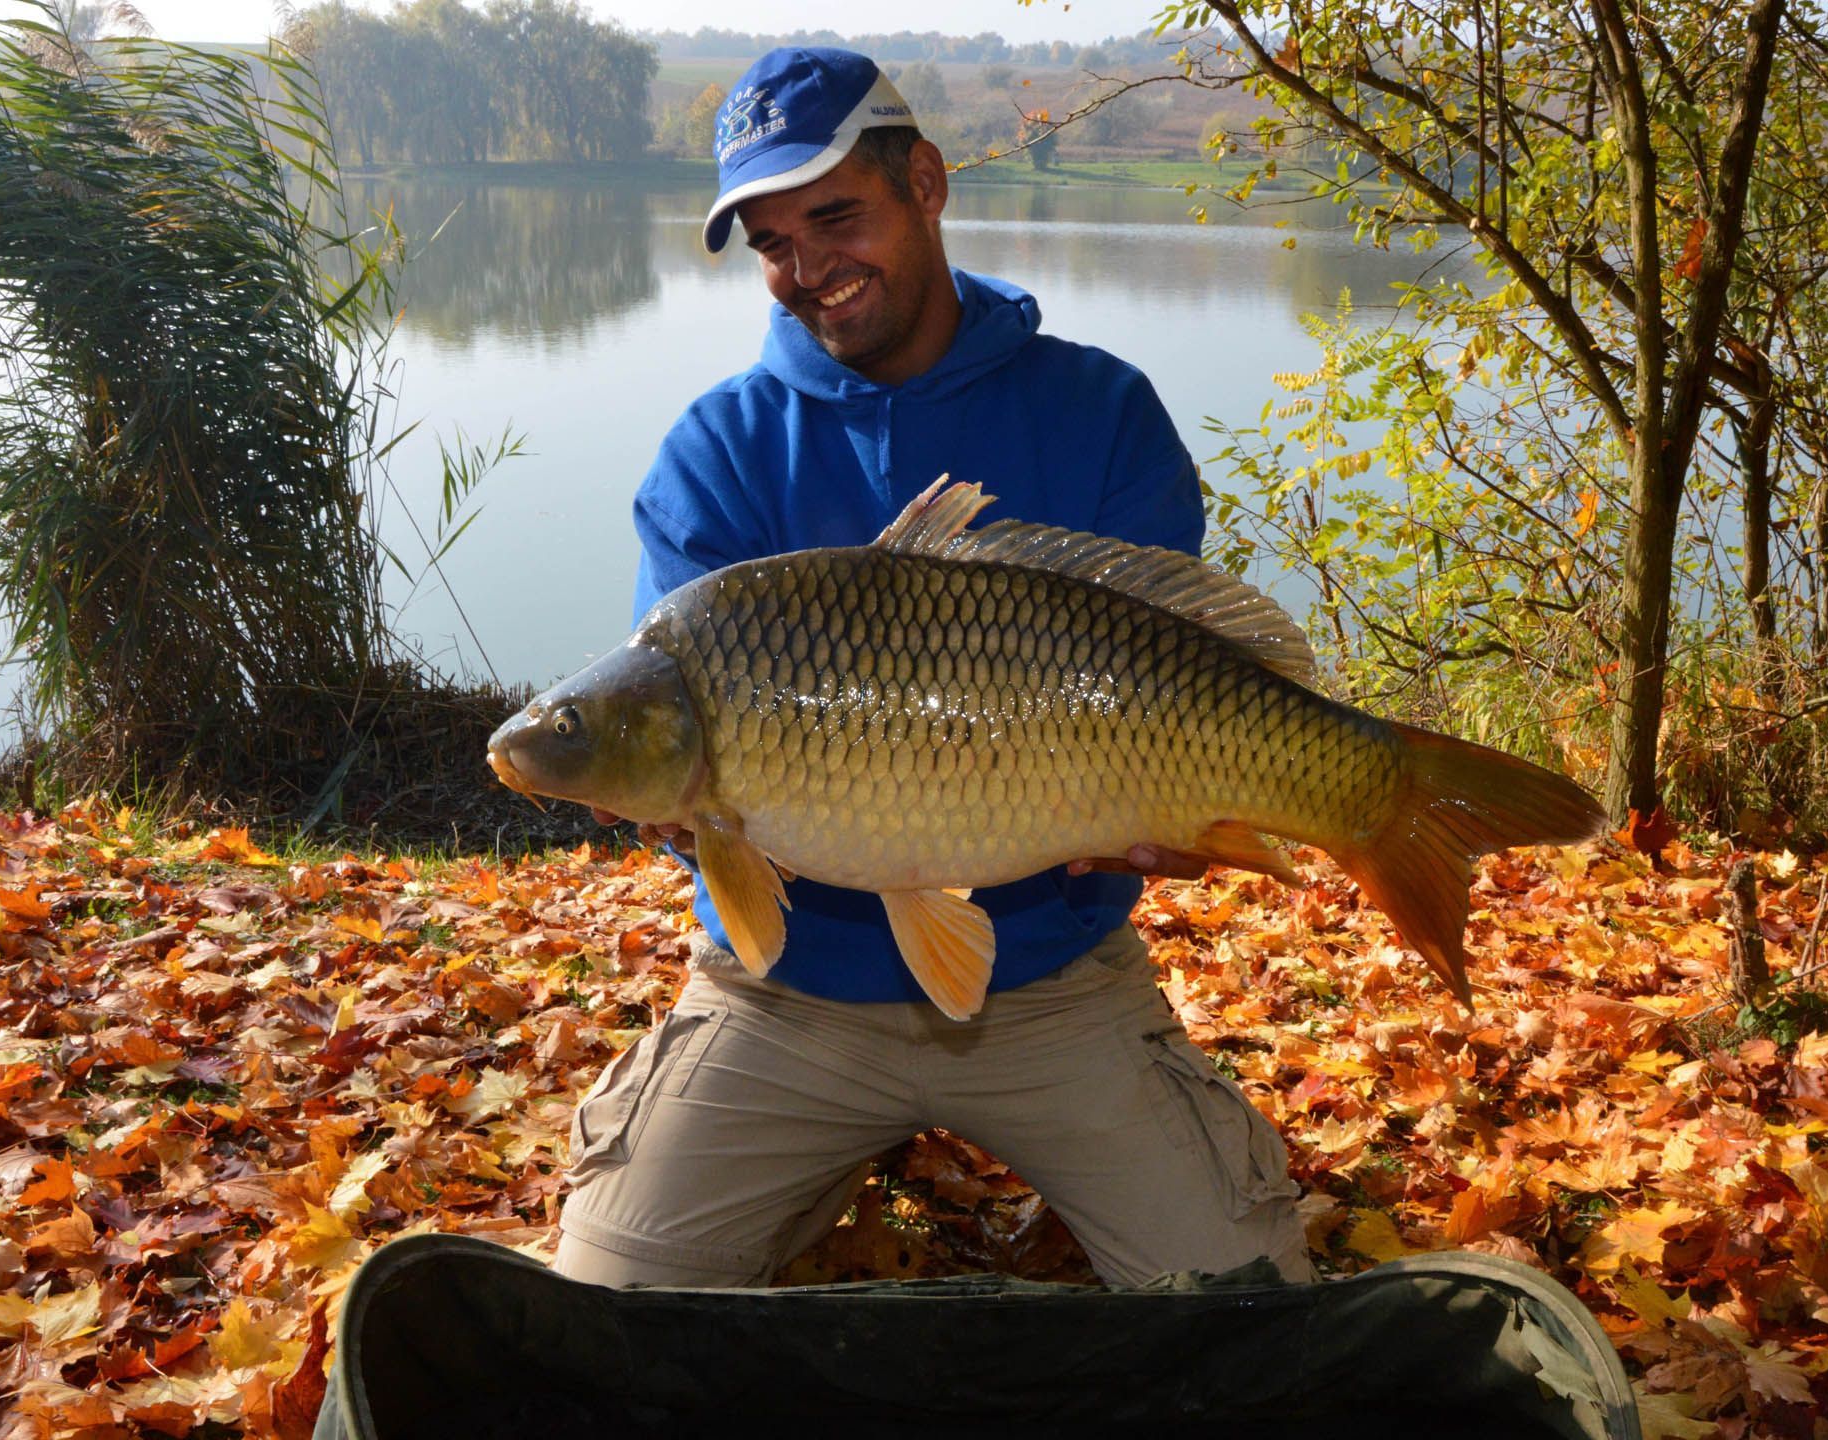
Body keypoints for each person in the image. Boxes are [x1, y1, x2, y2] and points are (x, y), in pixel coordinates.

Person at [552, 46, 1313, 1290]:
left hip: (1055, 980)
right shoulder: (716, 454)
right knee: (605, 1301)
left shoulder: (1101, 412)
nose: (809, 270)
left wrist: (1185, 821)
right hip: (786, 997)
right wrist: (676, 821)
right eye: (774, 243)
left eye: (836, 216)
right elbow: (668, 744)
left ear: (927, 182)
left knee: (1246, 1298)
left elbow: (1192, 680)